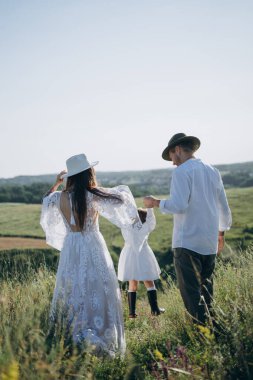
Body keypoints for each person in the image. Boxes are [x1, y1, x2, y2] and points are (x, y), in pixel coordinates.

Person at [40, 153, 137, 357]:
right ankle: (99, 329)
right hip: (92, 243)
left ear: (70, 177)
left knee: (73, 286)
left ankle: (72, 333)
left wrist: (57, 182)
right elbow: (122, 200)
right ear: (88, 173)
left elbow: (45, 199)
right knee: (99, 287)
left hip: (71, 246)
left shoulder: (59, 198)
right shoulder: (93, 195)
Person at [143, 133, 232, 325]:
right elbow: (223, 206)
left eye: (172, 157)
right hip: (209, 242)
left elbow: (179, 205)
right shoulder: (212, 170)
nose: (173, 163)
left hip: (188, 243)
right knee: (207, 293)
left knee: (192, 296)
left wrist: (155, 202)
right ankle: (211, 333)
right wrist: (221, 233)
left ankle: (200, 338)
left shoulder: (182, 172)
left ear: (177, 150)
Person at [118, 207, 165, 317]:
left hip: (129, 255)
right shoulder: (145, 228)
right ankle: (155, 309)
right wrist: (150, 208)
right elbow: (151, 221)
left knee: (132, 282)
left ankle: (132, 313)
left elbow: (123, 219)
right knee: (149, 282)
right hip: (143, 255)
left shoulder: (127, 228)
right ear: (144, 219)